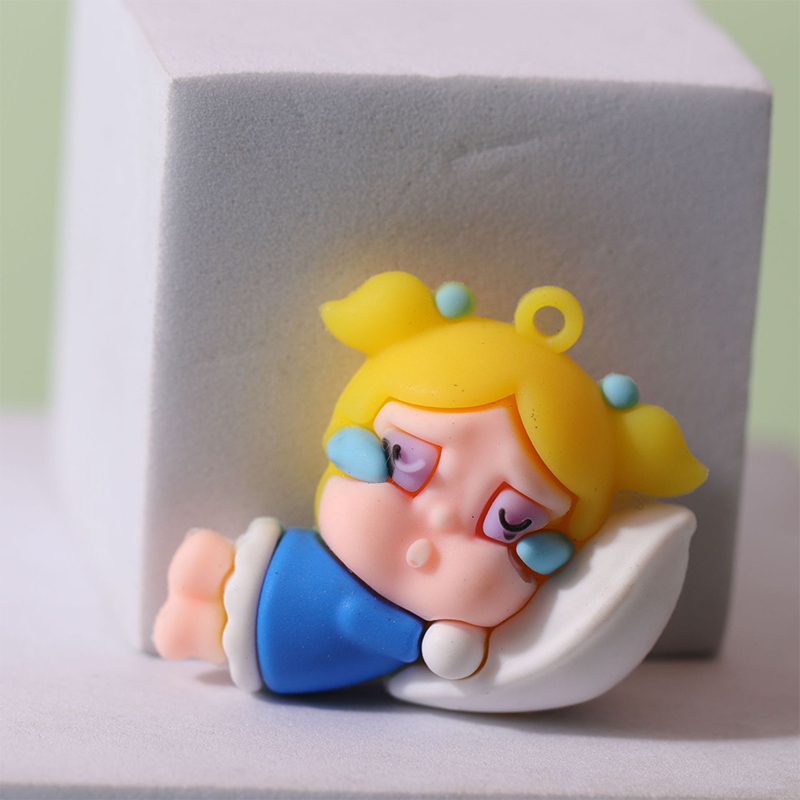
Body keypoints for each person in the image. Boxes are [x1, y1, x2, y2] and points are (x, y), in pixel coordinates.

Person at [153, 272, 706, 695]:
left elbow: (367, 626)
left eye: (508, 521)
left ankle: (198, 630)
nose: (439, 519)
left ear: (546, 548)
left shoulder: (409, 632)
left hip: (293, 656)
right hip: (283, 570)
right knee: (218, 572)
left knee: (210, 626)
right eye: (405, 461)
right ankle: (205, 586)